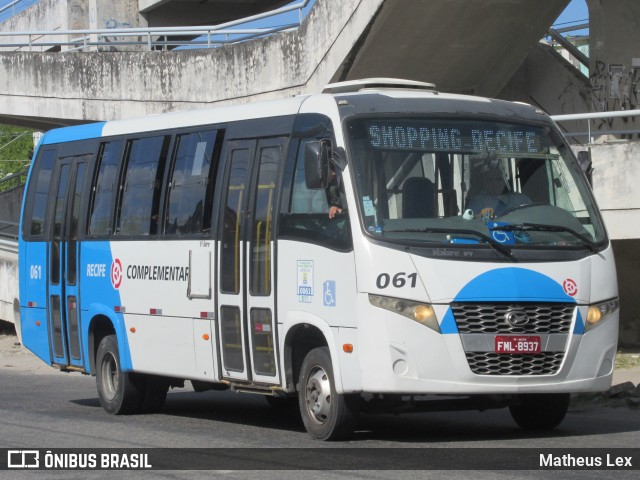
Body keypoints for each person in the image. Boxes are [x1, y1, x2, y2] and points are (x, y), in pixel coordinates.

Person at [466, 161, 530, 220]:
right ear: (484, 183)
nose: (495, 183)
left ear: (505, 179)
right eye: (490, 180)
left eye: (499, 179)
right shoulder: (477, 202)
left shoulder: (521, 199)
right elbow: (470, 223)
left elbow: (532, 217)